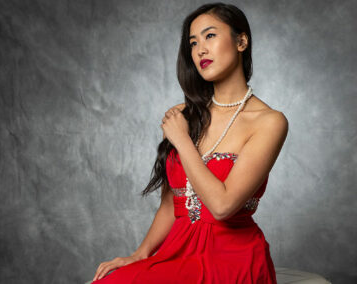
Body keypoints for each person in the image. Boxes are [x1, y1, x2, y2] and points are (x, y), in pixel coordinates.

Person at [91, 2, 288, 283]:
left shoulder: (269, 121)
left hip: (233, 256)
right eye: (193, 42)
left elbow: (222, 206)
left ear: (241, 41)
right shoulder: (183, 116)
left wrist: (183, 142)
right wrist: (140, 254)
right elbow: (173, 203)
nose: (200, 50)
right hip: (178, 249)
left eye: (210, 36)